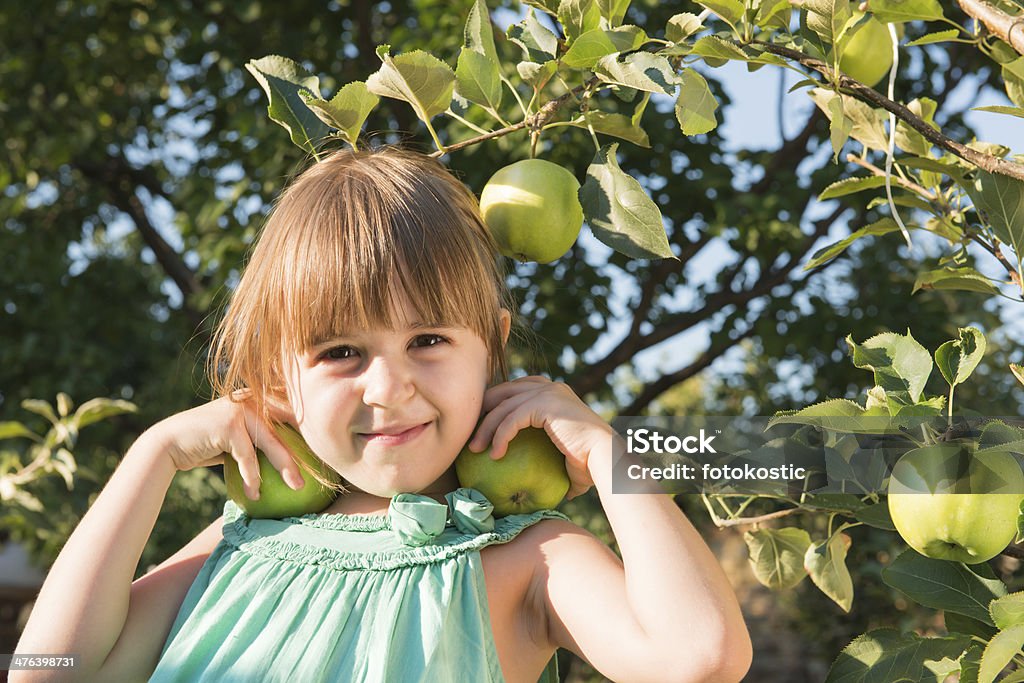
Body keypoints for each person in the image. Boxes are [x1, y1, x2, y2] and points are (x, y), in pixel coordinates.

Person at [13, 147, 752, 683]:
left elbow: (700, 658)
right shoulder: (243, 545)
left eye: (428, 340)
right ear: (279, 376)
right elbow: (44, 669)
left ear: (492, 347)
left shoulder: (526, 557)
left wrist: (612, 454)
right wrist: (152, 455)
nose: (388, 387)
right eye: (340, 351)